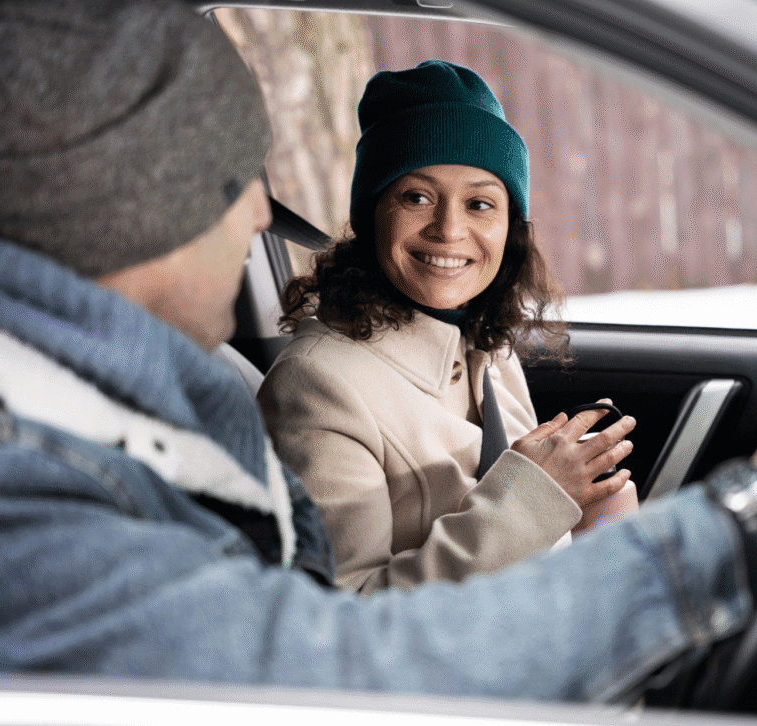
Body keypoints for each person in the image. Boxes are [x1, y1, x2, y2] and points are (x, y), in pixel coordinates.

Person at [0, 0, 757, 702]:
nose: (263, 213)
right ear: (135, 208)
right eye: (229, 181)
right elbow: (337, 663)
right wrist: (741, 512)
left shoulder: (477, 348)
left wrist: (590, 518)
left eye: (482, 201)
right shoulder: (13, 495)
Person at [258, 60, 639, 593]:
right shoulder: (316, 384)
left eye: (480, 203)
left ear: (510, 228)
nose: (449, 230)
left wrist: (586, 507)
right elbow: (343, 617)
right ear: (372, 216)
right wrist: (534, 497)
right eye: (416, 197)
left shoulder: (487, 347)